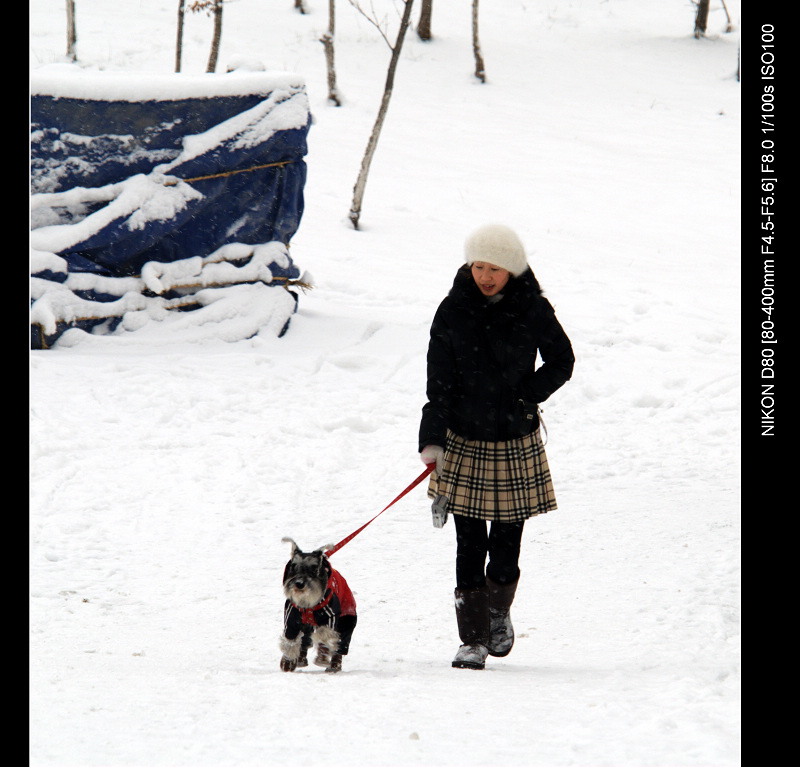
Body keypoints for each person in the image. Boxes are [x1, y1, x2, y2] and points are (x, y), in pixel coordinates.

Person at [418, 223, 575, 670]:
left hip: (513, 439)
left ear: (513, 270)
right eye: (479, 266)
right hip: (464, 439)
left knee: (506, 542)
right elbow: (439, 383)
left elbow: (562, 361)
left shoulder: (533, 309)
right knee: (468, 541)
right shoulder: (453, 310)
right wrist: (432, 438)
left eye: (495, 268)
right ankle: (471, 638)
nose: (485, 276)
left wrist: (528, 394)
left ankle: (497, 609)